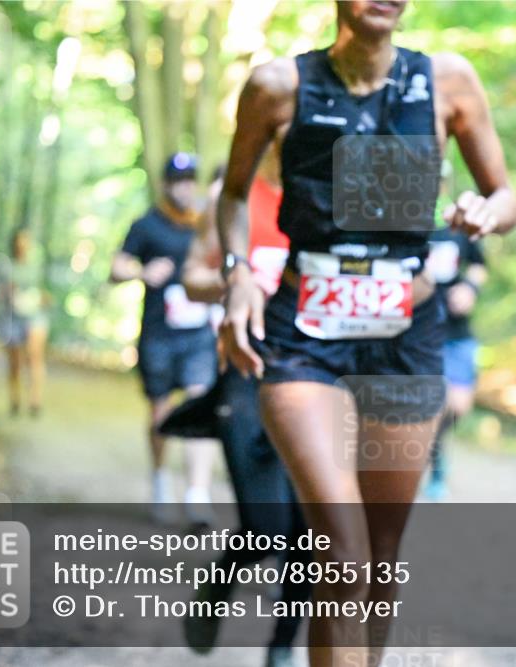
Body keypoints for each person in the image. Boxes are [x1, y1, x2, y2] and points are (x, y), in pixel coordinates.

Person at [216, 2, 516, 664]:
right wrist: (237, 274)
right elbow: (233, 194)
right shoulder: (277, 86)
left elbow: (507, 197)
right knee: (343, 550)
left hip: (405, 336)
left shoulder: (447, 81)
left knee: (379, 559)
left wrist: (485, 211)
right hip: (304, 336)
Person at [174, 152, 310, 667]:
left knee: (310, 532)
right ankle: (217, 584)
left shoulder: (325, 196)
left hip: (315, 379)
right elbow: (191, 276)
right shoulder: (230, 199)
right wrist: (237, 281)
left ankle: (281, 648)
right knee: (266, 528)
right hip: (245, 376)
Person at [110, 152, 219, 525]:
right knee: (161, 410)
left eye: (190, 180)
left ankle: (197, 494)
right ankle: (160, 479)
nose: (184, 187)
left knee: (200, 403)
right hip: (158, 334)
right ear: (165, 184)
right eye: (178, 180)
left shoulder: (206, 222)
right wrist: (141, 272)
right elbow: (116, 268)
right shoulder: (147, 225)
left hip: (199, 334)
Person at [422, 163, 488, 502]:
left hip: (458, 331)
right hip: (421, 330)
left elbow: (479, 264)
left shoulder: (458, 224)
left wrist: (470, 290)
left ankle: (431, 449)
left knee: (458, 406)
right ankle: (435, 469)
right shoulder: (407, 222)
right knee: (434, 403)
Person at [6, 227, 49, 417]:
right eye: (20, 240)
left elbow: (45, 292)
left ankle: (35, 400)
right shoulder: (8, 267)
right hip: (13, 317)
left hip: (35, 316)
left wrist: (42, 298)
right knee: (15, 361)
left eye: (26, 240)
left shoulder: (38, 267)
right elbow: (0, 291)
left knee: (34, 355)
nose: (23, 244)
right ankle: (15, 400)